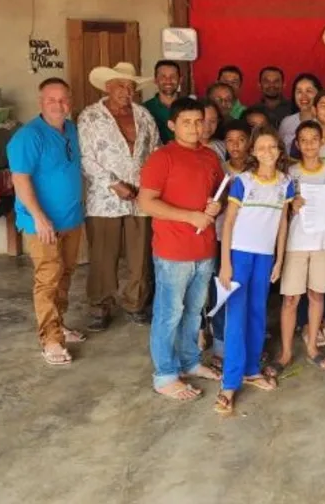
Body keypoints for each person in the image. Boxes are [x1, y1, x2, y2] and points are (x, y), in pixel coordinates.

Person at [138, 97, 223, 401]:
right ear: (172, 125)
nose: (194, 127)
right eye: (186, 122)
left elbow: (214, 199)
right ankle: (164, 375)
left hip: (204, 248)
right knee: (168, 313)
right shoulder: (162, 158)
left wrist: (216, 205)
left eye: (199, 121)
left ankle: (189, 362)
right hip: (173, 251)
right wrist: (189, 216)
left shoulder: (211, 157)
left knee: (193, 314)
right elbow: (145, 202)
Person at [214, 125, 292, 414]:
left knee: (258, 313)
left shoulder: (286, 183)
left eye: (272, 147)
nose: (267, 152)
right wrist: (225, 263)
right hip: (239, 256)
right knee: (236, 316)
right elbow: (230, 222)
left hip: (265, 257)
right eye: (261, 148)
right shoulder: (243, 182)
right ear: (253, 152)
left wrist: (279, 260)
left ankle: (251, 369)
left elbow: (283, 223)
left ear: (279, 150)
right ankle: (230, 382)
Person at [8, 77, 85, 365]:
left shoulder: (72, 130)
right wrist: (40, 218)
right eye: (51, 100)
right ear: (41, 103)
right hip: (42, 224)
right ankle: (50, 339)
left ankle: (60, 324)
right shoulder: (28, 137)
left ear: (70, 102)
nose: (58, 105)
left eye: (63, 99)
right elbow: (21, 179)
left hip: (71, 219)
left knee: (65, 274)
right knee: (48, 278)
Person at [79, 62, 160, 331]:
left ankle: (135, 303)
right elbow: (86, 158)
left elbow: (156, 150)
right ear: (107, 87)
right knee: (103, 254)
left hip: (140, 196)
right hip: (103, 198)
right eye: (121, 86)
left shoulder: (144, 115)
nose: (126, 91)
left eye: (131, 86)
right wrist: (114, 184)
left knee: (140, 256)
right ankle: (100, 306)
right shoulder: (90, 116)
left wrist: (150, 186)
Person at [270, 120, 325, 376]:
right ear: (297, 144)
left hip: (324, 241)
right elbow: (282, 209)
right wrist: (292, 205)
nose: (310, 144)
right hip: (296, 242)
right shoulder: (290, 174)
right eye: (304, 140)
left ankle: (313, 347)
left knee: (317, 295)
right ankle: (286, 353)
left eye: (315, 139)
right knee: (291, 298)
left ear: (322, 142)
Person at [208, 120, 250, 371]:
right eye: (230, 141)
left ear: (249, 143)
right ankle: (221, 346)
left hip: (251, 241)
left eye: (241, 140)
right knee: (221, 292)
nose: (235, 146)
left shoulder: (257, 170)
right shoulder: (219, 170)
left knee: (247, 292)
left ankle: (245, 341)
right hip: (224, 238)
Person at [279, 73, 322, 156]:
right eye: (299, 91)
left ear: (318, 94)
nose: (303, 96)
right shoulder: (286, 122)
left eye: (309, 91)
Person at [143, 60, 181, 144]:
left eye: (173, 76)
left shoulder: (190, 106)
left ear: (180, 80)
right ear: (155, 80)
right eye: (163, 76)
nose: (168, 80)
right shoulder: (144, 109)